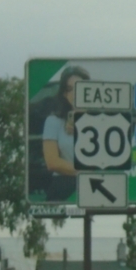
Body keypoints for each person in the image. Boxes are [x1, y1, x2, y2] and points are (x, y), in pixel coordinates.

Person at [42, 66, 90, 199]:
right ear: (64, 93)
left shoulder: (101, 122)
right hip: (63, 186)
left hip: (96, 188)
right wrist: (87, 171)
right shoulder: (53, 121)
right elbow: (52, 162)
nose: (74, 93)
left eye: (79, 87)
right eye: (69, 89)